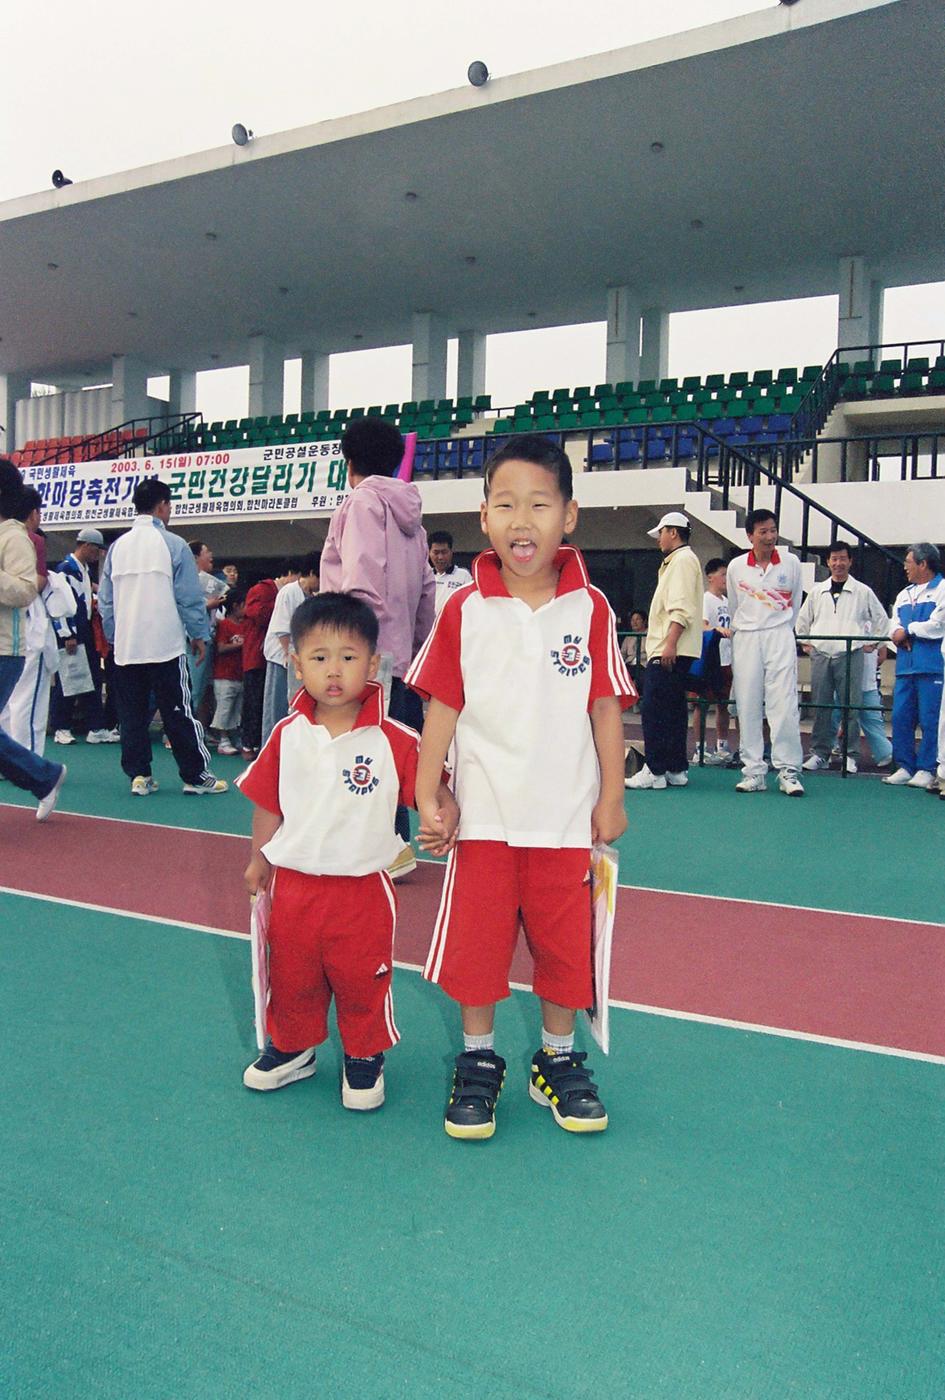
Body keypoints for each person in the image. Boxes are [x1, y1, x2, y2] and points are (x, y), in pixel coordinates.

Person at [407, 434, 635, 1141]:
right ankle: (478, 1061)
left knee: (564, 952)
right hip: (484, 820)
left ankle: (557, 1061)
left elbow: (604, 706)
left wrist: (611, 796)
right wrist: (426, 793)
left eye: (539, 504)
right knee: (478, 951)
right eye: (505, 504)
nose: (521, 520)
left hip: (565, 820)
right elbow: (440, 705)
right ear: (483, 517)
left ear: (568, 515)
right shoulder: (462, 609)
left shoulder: (591, 609)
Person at [236, 592, 453, 1110]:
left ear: (373, 663)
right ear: (296, 663)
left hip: (362, 892)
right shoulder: (287, 735)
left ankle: (363, 1055)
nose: (334, 671)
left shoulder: (395, 738)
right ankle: (293, 1048)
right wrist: (258, 858)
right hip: (293, 889)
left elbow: (433, 791)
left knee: (361, 979)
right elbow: (268, 802)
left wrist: (443, 819)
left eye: (349, 657)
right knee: (291, 976)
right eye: (319, 657)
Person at [320, 417, 435, 875]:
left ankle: (386, 847)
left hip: (363, 655)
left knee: (358, 753)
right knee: (388, 752)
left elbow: (359, 585)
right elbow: (426, 593)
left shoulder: (362, 503)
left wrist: (350, 658)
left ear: (349, 462)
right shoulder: (414, 520)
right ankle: (393, 844)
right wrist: (416, 649)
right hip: (401, 657)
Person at [98, 477, 227, 796]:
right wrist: (199, 634)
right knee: (179, 711)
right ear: (162, 506)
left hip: (127, 648)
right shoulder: (173, 544)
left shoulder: (117, 547)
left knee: (131, 715)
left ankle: (139, 777)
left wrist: (116, 637)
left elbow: (106, 601)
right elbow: (188, 596)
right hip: (165, 645)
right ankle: (195, 777)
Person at [0, 459, 67, 819]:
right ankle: (44, 776)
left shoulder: (15, 538)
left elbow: (26, 591)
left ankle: (45, 775)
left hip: (4, 649)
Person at [726, 508, 805, 795]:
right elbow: (735, 607)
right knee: (747, 704)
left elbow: (794, 604)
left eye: (773, 530)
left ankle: (788, 771)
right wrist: (748, 629)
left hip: (779, 635)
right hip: (746, 637)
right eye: (763, 532)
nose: (770, 536)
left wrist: (781, 630)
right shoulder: (736, 567)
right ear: (750, 536)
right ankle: (753, 772)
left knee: (783, 703)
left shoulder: (791, 563)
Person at [625, 511, 703, 791]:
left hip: (669, 648)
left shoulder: (681, 561)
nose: (659, 539)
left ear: (673, 532)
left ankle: (655, 770)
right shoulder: (681, 561)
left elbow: (681, 608)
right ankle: (675, 768)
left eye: (662, 533)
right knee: (672, 709)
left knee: (654, 710)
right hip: (677, 648)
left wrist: (670, 642)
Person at [796, 541, 888, 776]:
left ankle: (849, 755)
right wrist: (808, 645)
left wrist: (874, 643)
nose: (838, 563)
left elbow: (881, 620)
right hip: (822, 655)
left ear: (850, 561)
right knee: (822, 706)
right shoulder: (817, 591)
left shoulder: (862, 591)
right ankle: (820, 754)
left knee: (850, 707)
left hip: (850, 654)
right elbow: (802, 622)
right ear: (828, 562)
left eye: (842, 558)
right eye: (834, 559)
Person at [0, 488, 76, 756]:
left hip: (12, 626)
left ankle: (11, 760)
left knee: (9, 702)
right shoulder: (31, 540)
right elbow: (36, 583)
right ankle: (28, 760)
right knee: (30, 699)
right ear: (33, 513)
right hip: (27, 625)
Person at [883, 542, 945, 789]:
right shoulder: (904, 594)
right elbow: (892, 624)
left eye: (909, 562)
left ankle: (927, 768)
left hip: (931, 666)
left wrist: (908, 630)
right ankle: (905, 765)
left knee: (930, 718)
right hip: (905, 666)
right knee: (900, 717)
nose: (905, 567)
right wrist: (898, 632)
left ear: (923, 563)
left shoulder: (941, 589)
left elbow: (937, 624)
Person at [49, 526, 117, 745]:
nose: (98, 554)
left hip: (84, 629)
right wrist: (68, 634)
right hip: (72, 631)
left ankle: (95, 727)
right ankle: (61, 726)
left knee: (92, 678)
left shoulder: (82, 570)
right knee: (69, 678)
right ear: (86, 546)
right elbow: (60, 603)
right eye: (96, 549)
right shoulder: (66, 569)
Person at [260, 553, 320, 743]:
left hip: (301, 659)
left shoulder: (313, 596)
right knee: (276, 708)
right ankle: (269, 752)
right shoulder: (289, 592)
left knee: (294, 709)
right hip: (281, 656)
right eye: (320, 577)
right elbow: (282, 629)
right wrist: (288, 655)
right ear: (311, 573)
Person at [241, 562, 297, 759]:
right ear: (290, 573)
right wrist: (281, 604)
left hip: (271, 653)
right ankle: (248, 743)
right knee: (255, 700)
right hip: (256, 654)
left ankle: (260, 744)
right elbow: (256, 614)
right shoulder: (263, 590)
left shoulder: (289, 592)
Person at [689, 558, 735, 764]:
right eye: (723, 574)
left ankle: (722, 745)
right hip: (709, 658)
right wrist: (717, 631)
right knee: (702, 703)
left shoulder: (727, 602)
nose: (726, 579)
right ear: (710, 577)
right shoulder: (706, 599)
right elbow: (702, 625)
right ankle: (700, 748)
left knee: (723, 703)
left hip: (727, 658)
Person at [187, 540, 227, 713]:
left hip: (208, 637)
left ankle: (196, 729)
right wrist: (207, 606)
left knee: (202, 690)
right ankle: (175, 735)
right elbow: (183, 608)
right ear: (196, 557)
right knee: (193, 690)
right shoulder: (186, 581)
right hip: (192, 641)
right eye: (207, 551)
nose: (211, 555)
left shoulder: (211, 582)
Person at [211, 589, 246, 756]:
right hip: (224, 674)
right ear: (236, 606)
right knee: (224, 708)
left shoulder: (246, 624)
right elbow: (221, 647)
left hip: (240, 674)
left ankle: (234, 737)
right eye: (244, 605)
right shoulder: (224, 625)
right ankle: (223, 740)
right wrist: (241, 645)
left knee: (237, 708)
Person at [428, 530, 473, 614]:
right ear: (429, 553)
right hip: (430, 625)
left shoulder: (464, 576)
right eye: (436, 552)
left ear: (451, 552)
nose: (440, 557)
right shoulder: (425, 576)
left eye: (444, 552)